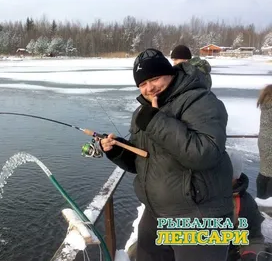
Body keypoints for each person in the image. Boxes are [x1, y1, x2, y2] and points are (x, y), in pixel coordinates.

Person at [99, 48, 234, 261]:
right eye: (142, 84)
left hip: (199, 216)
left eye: (154, 79)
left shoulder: (199, 100)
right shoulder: (142, 113)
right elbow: (142, 160)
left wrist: (156, 121)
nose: (149, 88)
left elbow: (204, 154)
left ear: (170, 73)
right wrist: (117, 149)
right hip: (156, 212)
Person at [226, 149, 266, 261]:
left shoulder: (246, 203)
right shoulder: (195, 194)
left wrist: (250, 254)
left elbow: (254, 238)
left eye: (227, 175)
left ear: (236, 177)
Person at [256, 84, 272, 199]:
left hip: (264, 143)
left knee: (265, 172)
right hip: (269, 143)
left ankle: (261, 200)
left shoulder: (265, 106)